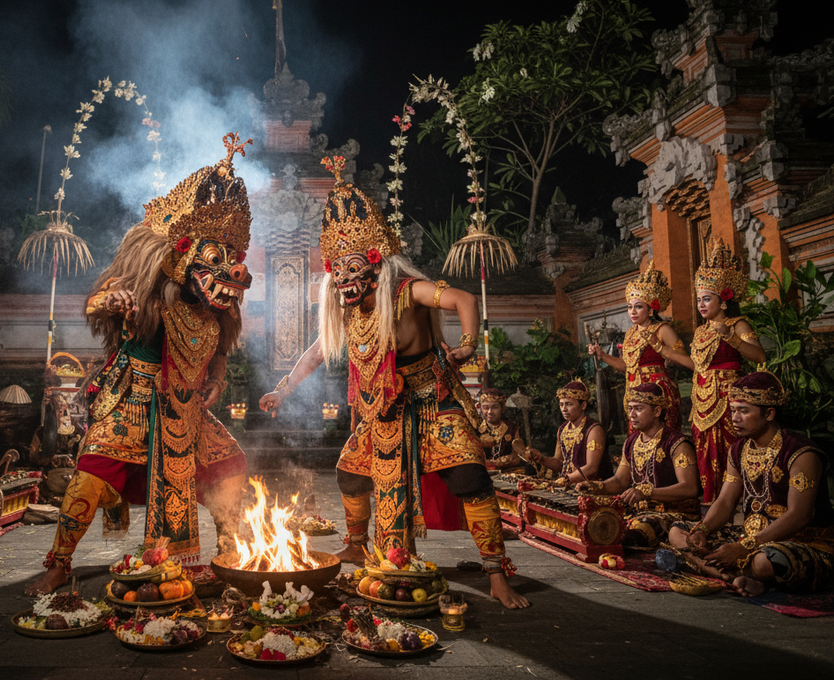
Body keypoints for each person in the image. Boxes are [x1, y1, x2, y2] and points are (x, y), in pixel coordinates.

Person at [259, 156, 528, 609]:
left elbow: (462, 298)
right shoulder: (347, 311)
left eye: (352, 268)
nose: (344, 280)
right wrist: (283, 389)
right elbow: (317, 352)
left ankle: (497, 574)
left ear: (375, 263)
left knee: (469, 477)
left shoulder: (406, 292)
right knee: (348, 473)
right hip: (381, 411)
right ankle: (358, 544)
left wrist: (467, 343)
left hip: (430, 400)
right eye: (337, 271)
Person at [25, 134, 253, 596]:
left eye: (233, 260)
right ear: (183, 257)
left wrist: (217, 375)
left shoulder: (219, 307)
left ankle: (231, 558)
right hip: (135, 400)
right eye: (215, 260)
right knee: (90, 477)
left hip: (187, 410)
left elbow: (223, 346)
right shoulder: (145, 287)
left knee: (229, 468)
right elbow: (93, 305)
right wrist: (112, 299)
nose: (230, 272)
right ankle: (59, 563)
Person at [667, 372, 833, 596]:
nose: (735, 418)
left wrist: (743, 547)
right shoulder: (739, 449)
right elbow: (725, 502)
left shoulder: (800, 452)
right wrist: (702, 531)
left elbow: (799, 515)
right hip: (749, 537)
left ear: (770, 414)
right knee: (679, 532)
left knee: (766, 561)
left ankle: (730, 573)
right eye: (733, 410)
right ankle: (733, 576)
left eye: (744, 411)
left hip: (799, 542)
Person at [687, 239, 765, 504]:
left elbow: (759, 355)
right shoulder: (700, 331)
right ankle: (709, 505)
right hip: (701, 400)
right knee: (704, 451)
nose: (701, 304)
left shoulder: (737, 323)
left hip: (729, 399)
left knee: (731, 449)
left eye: (706, 299)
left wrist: (731, 337)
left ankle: (739, 504)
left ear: (723, 300)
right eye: (698, 299)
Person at [576, 383, 700, 548]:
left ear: (656, 411)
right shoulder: (631, 442)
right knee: (593, 522)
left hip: (673, 514)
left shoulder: (677, 444)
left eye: (638, 409)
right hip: (639, 512)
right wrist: (597, 486)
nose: (631, 415)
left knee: (623, 534)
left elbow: (690, 488)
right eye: (630, 408)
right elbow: (620, 480)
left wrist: (647, 492)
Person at [587, 259, 685, 431]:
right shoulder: (630, 333)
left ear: (651, 309)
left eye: (638, 307)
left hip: (657, 393)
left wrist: (661, 350)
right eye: (629, 307)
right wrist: (602, 355)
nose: (632, 311)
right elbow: (626, 366)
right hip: (633, 393)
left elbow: (683, 360)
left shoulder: (662, 329)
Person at [525, 380, 612, 485]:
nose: (564, 409)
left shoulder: (593, 429)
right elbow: (559, 463)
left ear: (583, 405)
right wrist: (541, 459)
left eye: (569, 404)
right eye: (561, 404)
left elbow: (591, 468)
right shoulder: (562, 429)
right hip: (568, 486)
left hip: (593, 488)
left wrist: (566, 479)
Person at [27, 392, 85, 469]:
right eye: (59, 411)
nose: (62, 415)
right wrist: (49, 460)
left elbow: (84, 456)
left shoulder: (78, 431)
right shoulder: (41, 432)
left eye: (65, 411)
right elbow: (33, 458)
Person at [477, 388, 525, 473]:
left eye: (495, 407)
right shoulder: (476, 429)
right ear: (480, 408)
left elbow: (516, 457)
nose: (489, 412)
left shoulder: (513, 428)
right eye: (486, 407)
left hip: (507, 474)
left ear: (502, 409)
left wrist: (492, 464)